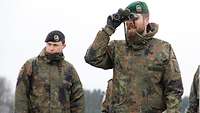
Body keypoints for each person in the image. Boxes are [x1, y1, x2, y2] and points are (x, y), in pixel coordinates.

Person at [84, 1, 183, 113]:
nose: (130, 22)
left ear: (146, 20)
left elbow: (174, 89)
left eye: (134, 18)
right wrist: (108, 29)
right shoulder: (117, 48)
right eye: (126, 19)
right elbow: (92, 58)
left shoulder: (163, 49)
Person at [15, 30, 84, 113]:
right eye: (49, 44)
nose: (51, 48)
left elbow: (78, 99)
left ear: (63, 46)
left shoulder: (69, 69)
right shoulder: (31, 66)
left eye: (55, 45)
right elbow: (21, 96)